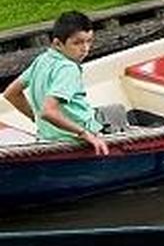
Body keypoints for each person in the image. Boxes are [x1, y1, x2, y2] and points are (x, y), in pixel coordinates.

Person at [1, 11, 108, 154]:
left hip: (46, 139)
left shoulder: (42, 60)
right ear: (57, 43)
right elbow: (48, 111)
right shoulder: (69, 68)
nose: (85, 49)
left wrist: (36, 117)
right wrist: (83, 133)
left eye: (89, 41)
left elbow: (11, 94)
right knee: (116, 112)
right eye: (77, 43)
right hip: (73, 142)